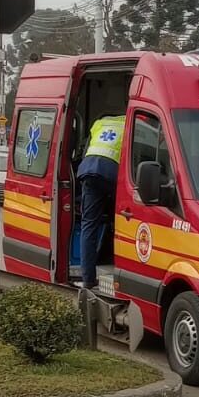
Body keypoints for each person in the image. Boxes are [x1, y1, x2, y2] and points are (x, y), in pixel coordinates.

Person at [77, 114, 126, 289]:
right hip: (112, 172)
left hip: (88, 170)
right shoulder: (132, 122)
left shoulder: (99, 122)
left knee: (89, 225)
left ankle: (88, 279)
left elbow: (84, 150)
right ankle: (123, 273)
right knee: (125, 219)